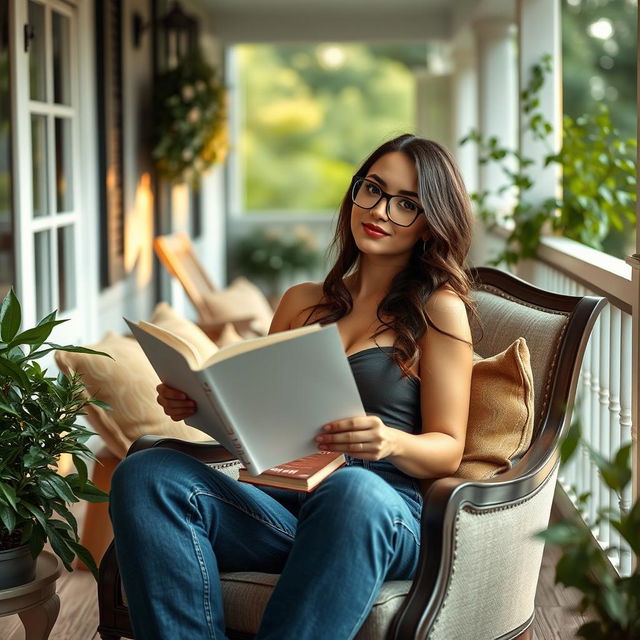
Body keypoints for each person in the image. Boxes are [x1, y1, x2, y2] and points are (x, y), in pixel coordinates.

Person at [109, 133, 479, 640]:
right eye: (372, 189)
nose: (381, 210)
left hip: (379, 511)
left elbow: (449, 449)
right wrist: (198, 404)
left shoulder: (439, 311)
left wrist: (389, 441)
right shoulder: (300, 302)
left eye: (407, 203)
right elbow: (258, 420)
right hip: (283, 507)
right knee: (146, 472)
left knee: (352, 488)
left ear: (429, 223)